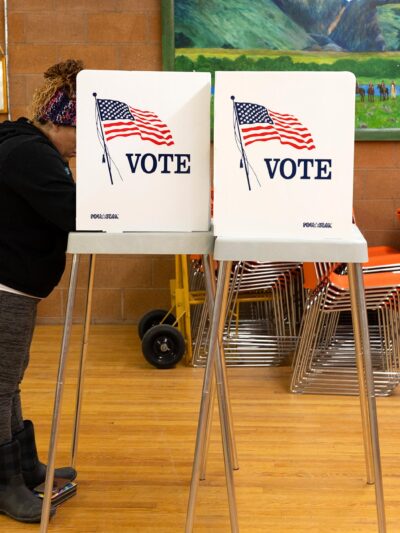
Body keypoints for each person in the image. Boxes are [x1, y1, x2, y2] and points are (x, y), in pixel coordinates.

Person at [0, 59, 83, 523]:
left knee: (7, 379)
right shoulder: (32, 156)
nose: (83, 142)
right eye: (78, 129)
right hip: (5, 284)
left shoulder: (29, 148)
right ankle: (4, 483)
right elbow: (74, 213)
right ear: (55, 120)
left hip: (14, 283)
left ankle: (23, 467)